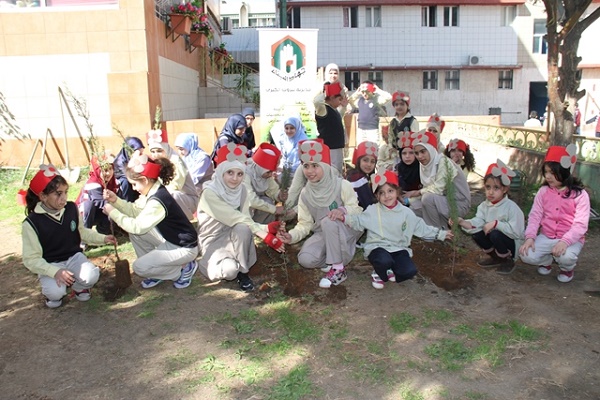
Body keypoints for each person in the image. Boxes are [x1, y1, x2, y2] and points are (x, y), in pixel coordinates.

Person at [21, 165, 116, 308]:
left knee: (91, 276)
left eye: (66, 192)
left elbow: (82, 232)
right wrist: (55, 271)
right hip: (50, 263)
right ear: (43, 196)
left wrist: (103, 238)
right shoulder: (32, 223)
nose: (64, 198)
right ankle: (51, 294)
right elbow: (31, 259)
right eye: (58, 194)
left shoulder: (71, 208)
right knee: (56, 293)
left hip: (73, 257)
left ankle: (79, 287)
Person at [103, 153, 199, 289]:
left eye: (135, 184)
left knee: (138, 267)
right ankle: (156, 270)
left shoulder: (157, 200)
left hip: (184, 248)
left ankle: (181, 270)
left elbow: (137, 226)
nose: (134, 188)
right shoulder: (152, 191)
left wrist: (113, 213)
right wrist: (116, 201)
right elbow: (136, 211)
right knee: (137, 235)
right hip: (172, 240)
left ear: (145, 180)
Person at [196, 143, 285, 292]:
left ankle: (244, 273)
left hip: (235, 236)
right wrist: (265, 235)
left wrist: (267, 227)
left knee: (243, 229)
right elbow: (234, 217)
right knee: (230, 271)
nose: (235, 179)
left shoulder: (241, 190)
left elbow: (244, 218)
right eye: (230, 172)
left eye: (239, 174)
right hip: (214, 239)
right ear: (221, 171)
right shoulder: (209, 193)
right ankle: (206, 263)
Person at [342, 170, 453, 289]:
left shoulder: (406, 213)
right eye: (381, 193)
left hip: (398, 247)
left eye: (390, 191)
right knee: (383, 260)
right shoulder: (372, 210)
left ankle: (390, 269)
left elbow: (420, 227)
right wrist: (344, 218)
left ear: (397, 192)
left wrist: (441, 234)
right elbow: (358, 221)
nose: (387, 196)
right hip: (378, 247)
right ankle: (379, 273)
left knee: (409, 271)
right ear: (376, 196)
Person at [277, 140, 363, 288]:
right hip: (323, 233)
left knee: (328, 221)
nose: (310, 171)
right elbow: (304, 224)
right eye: (306, 166)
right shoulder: (305, 193)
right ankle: (334, 258)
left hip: (347, 227)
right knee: (305, 259)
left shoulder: (341, 185)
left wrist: (342, 211)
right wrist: (291, 236)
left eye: (315, 166)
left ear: (325, 165)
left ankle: (338, 269)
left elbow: (357, 210)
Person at [519, 145, 590, 283]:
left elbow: (580, 225)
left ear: (564, 171)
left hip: (570, 239)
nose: (548, 176)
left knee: (566, 256)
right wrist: (530, 237)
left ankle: (566, 268)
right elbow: (535, 216)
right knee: (526, 255)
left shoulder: (580, 195)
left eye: (552, 172)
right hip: (547, 235)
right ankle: (547, 259)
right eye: (546, 172)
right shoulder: (543, 192)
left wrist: (565, 241)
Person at [455, 160, 524, 275]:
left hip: (511, 244)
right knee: (476, 234)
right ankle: (496, 257)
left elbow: (516, 232)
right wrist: (463, 222)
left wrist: (497, 224)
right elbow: (478, 222)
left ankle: (508, 260)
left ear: (505, 189)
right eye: (488, 187)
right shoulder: (484, 206)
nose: (491, 192)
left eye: (496, 188)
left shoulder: (511, 208)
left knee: (495, 233)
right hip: (496, 239)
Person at [405, 130, 471, 228]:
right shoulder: (425, 165)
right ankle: (441, 224)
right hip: (441, 200)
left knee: (427, 198)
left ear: (431, 149)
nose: (420, 156)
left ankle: (437, 231)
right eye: (417, 153)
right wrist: (408, 200)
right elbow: (429, 189)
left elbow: (437, 189)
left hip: (458, 204)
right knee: (413, 209)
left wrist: (416, 192)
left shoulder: (444, 163)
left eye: (423, 151)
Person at [147, 129, 199, 220]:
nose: (156, 155)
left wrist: (160, 194)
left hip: (187, 199)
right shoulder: (156, 163)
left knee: (172, 195)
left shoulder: (175, 162)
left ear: (166, 149)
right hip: (168, 197)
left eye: (159, 151)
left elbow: (176, 186)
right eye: (153, 151)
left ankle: (186, 220)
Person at [245, 142, 289, 223]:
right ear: (261, 168)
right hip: (239, 206)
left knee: (267, 201)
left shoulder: (265, 174)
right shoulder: (244, 174)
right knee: (268, 206)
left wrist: (280, 195)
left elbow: (273, 191)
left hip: (253, 206)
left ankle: (263, 228)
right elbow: (250, 200)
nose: (270, 175)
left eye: (272, 172)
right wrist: (275, 209)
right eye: (268, 172)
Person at [314, 81, 346, 174]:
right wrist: (328, 91)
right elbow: (316, 101)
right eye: (339, 99)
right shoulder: (322, 109)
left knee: (337, 173)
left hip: (337, 147)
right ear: (332, 97)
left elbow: (338, 119)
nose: (340, 103)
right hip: (329, 149)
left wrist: (343, 107)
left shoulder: (333, 110)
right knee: (331, 173)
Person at [346, 141, 378, 210]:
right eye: (365, 160)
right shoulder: (358, 179)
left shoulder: (355, 175)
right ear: (359, 161)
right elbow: (368, 205)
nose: (369, 164)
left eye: (372, 161)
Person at [113, 136, 145, 202]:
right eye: (140, 153)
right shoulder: (121, 164)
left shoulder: (131, 160)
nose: (141, 156)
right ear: (130, 153)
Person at [395, 131, 421, 204]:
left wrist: (409, 200)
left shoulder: (421, 168)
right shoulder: (399, 167)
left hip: (419, 201)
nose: (407, 156)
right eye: (404, 153)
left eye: (411, 153)